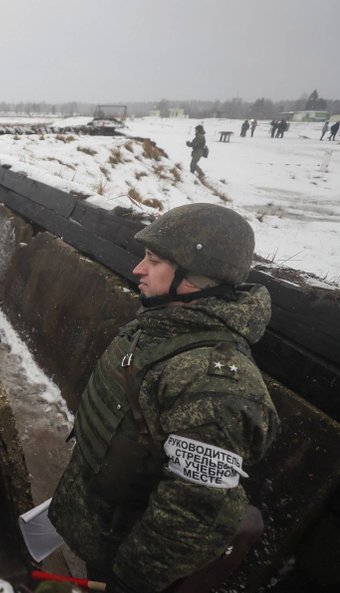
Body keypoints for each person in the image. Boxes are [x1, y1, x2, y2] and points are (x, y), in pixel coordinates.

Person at [48, 203, 280, 593]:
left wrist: (130, 581)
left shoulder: (214, 384)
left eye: (153, 261)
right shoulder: (163, 325)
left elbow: (188, 513)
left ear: (193, 278)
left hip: (127, 559)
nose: (138, 269)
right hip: (101, 529)